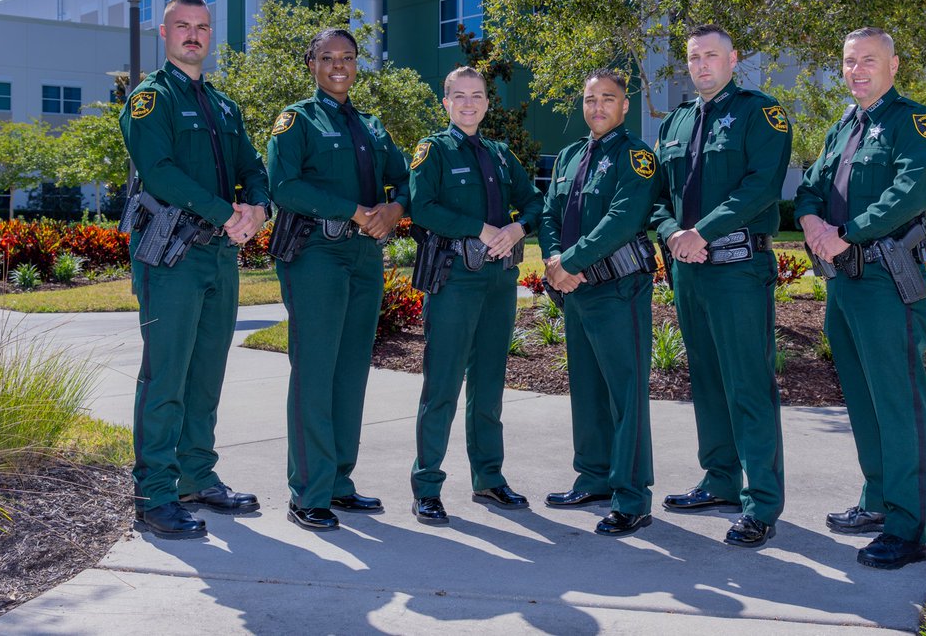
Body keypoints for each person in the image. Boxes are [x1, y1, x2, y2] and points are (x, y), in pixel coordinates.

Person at [795, 26, 926, 570]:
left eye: (868, 60)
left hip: (886, 281)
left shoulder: (915, 123)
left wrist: (847, 231)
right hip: (845, 283)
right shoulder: (842, 128)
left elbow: (913, 190)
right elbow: (810, 186)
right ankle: (879, 500)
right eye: (847, 61)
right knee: (860, 397)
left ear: (894, 64)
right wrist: (812, 220)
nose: (856, 70)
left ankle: (909, 529)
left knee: (898, 403)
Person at [119, 0, 271, 540]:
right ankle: (153, 493)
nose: (193, 35)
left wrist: (257, 208)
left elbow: (255, 168)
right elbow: (158, 172)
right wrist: (225, 211)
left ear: (211, 34)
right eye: (182, 26)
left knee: (206, 374)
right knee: (166, 376)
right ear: (164, 34)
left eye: (202, 26)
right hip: (173, 257)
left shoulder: (225, 107)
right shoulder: (148, 99)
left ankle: (196, 476)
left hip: (220, 255)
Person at [652, 24, 792, 548]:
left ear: (734, 59)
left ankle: (762, 504)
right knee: (707, 380)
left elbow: (761, 186)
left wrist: (700, 232)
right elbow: (658, 197)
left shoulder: (760, 112)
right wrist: (673, 234)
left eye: (712, 55)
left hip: (737, 269)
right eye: (693, 57)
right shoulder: (677, 122)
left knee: (748, 385)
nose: (702, 64)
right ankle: (719, 481)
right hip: (688, 269)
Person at [267, 28, 409, 531]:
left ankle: (339, 482)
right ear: (311, 64)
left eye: (347, 57)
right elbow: (283, 186)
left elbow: (408, 175)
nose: (339, 66)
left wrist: (394, 209)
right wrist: (353, 210)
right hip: (315, 254)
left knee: (351, 371)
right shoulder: (296, 120)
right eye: (328, 58)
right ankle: (309, 490)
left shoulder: (370, 125)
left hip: (364, 256)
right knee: (315, 370)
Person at [407, 66, 543, 525]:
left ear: (487, 102)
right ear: (445, 103)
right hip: (454, 281)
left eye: (477, 95)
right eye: (459, 96)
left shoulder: (502, 155)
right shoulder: (433, 150)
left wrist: (517, 226)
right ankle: (426, 485)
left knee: (489, 385)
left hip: (499, 282)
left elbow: (534, 202)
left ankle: (489, 478)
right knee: (442, 384)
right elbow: (421, 207)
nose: (469, 103)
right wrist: (479, 228)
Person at [539, 70, 660, 537]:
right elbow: (550, 212)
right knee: (587, 388)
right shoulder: (570, 156)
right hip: (577, 291)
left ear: (624, 105)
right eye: (590, 100)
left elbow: (623, 218)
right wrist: (555, 260)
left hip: (617, 289)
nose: (597, 107)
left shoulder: (637, 157)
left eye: (607, 99)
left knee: (625, 394)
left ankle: (632, 497)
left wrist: (570, 260)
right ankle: (593, 477)